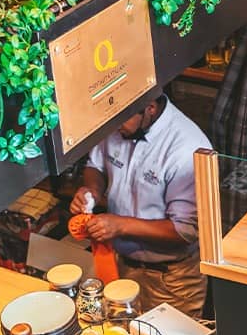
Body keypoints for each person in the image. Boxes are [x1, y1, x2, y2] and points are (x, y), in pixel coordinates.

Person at [69, 92, 210, 317]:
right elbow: (95, 165)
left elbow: (186, 231)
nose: (114, 129)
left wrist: (120, 226)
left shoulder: (186, 149)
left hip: (172, 280)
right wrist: (92, 191)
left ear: (150, 108)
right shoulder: (117, 121)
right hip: (122, 266)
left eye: (120, 122)